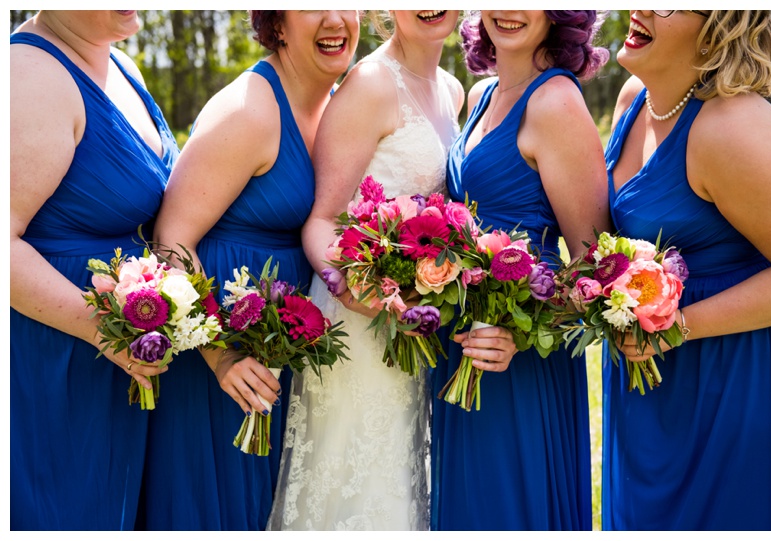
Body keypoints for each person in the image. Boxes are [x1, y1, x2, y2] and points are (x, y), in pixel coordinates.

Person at [141, 10, 360, 530]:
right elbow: (170, 242)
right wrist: (222, 357)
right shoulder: (250, 111)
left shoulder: (333, 108)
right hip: (218, 368)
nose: (335, 18)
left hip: (280, 362)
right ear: (277, 24)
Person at [267, 10, 469, 531]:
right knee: (355, 484)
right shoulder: (370, 84)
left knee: (402, 483)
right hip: (358, 319)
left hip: (419, 320)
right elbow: (322, 220)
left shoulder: (452, 89)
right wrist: (357, 286)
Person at [602, 10, 771, 530]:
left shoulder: (735, 127)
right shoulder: (632, 100)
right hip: (646, 386)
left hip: (724, 384)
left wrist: (677, 329)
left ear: (716, 27)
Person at [430, 10, 610, 530]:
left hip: (522, 365)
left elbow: (594, 271)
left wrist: (522, 332)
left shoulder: (555, 101)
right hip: (465, 347)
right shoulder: (486, 94)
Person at [10, 10, 178, 530]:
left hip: (121, 355)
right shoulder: (28, 75)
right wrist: (105, 333)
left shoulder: (122, 63)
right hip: (55, 359)